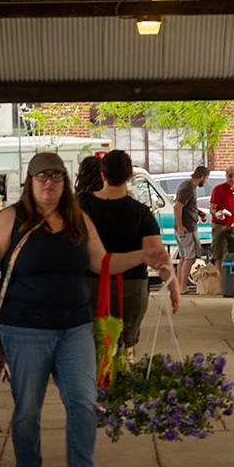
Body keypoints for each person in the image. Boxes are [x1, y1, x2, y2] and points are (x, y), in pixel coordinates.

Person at [0, 152, 163, 467]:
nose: (49, 183)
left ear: (65, 182)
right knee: (27, 409)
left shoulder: (78, 218)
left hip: (75, 327)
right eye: (42, 177)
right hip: (24, 329)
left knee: (84, 403)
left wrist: (141, 257)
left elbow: (102, 262)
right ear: (30, 181)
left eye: (57, 177)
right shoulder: (10, 219)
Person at [81, 149, 179, 363]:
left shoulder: (82, 205)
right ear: (129, 177)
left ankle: (93, 387)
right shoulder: (141, 213)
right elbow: (158, 256)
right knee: (126, 346)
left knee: (91, 346)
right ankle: (122, 382)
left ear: (103, 175)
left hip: (91, 286)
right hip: (131, 288)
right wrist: (174, 288)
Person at [173, 165, 210, 293]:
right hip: (187, 228)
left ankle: (179, 286)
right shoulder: (188, 188)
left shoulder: (187, 186)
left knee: (184, 257)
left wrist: (198, 212)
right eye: (206, 178)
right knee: (190, 258)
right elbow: (177, 206)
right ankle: (182, 287)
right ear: (203, 177)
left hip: (185, 227)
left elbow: (186, 206)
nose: (206, 181)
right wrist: (180, 226)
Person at [209, 167, 234, 269]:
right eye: (230, 176)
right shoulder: (219, 189)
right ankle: (220, 279)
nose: (232, 179)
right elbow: (212, 208)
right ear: (226, 175)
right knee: (219, 253)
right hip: (220, 224)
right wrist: (217, 214)